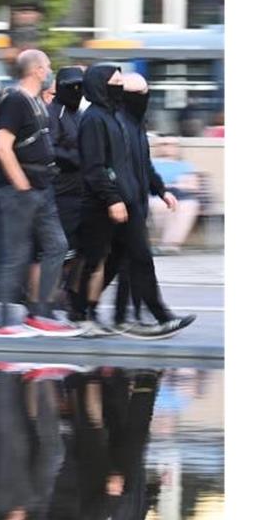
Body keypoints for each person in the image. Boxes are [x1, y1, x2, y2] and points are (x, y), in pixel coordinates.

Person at [0, 48, 78, 338]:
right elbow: (2, 146)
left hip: (42, 187)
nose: (50, 71)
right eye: (48, 66)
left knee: (57, 246)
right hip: (21, 190)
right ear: (37, 70)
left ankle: (38, 313)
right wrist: (20, 182)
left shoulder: (36, 102)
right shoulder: (15, 101)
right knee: (17, 255)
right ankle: (4, 321)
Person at [105, 72, 195, 338]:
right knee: (140, 261)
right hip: (124, 204)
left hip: (136, 204)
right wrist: (116, 199)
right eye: (140, 93)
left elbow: (144, 165)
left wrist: (162, 190)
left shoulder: (135, 124)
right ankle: (160, 315)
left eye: (146, 92)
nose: (144, 98)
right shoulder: (119, 123)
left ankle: (112, 315)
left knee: (120, 263)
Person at [47, 66, 86, 313]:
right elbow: (49, 148)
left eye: (80, 87)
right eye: (72, 87)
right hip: (61, 193)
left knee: (79, 250)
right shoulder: (54, 114)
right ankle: (51, 299)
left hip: (81, 192)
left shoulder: (80, 114)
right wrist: (75, 157)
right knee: (63, 250)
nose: (77, 92)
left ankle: (70, 297)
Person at [148, 138, 202, 254]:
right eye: (164, 144)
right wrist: (176, 183)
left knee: (188, 206)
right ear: (157, 147)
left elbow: (193, 185)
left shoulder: (185, 165)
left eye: (172, 145)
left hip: (182, 196)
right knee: (162, 206)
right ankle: (167, 245)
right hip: (157, 195)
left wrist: (177, 185)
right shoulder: (150, 163)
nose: (168, 147)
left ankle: (169, 245)